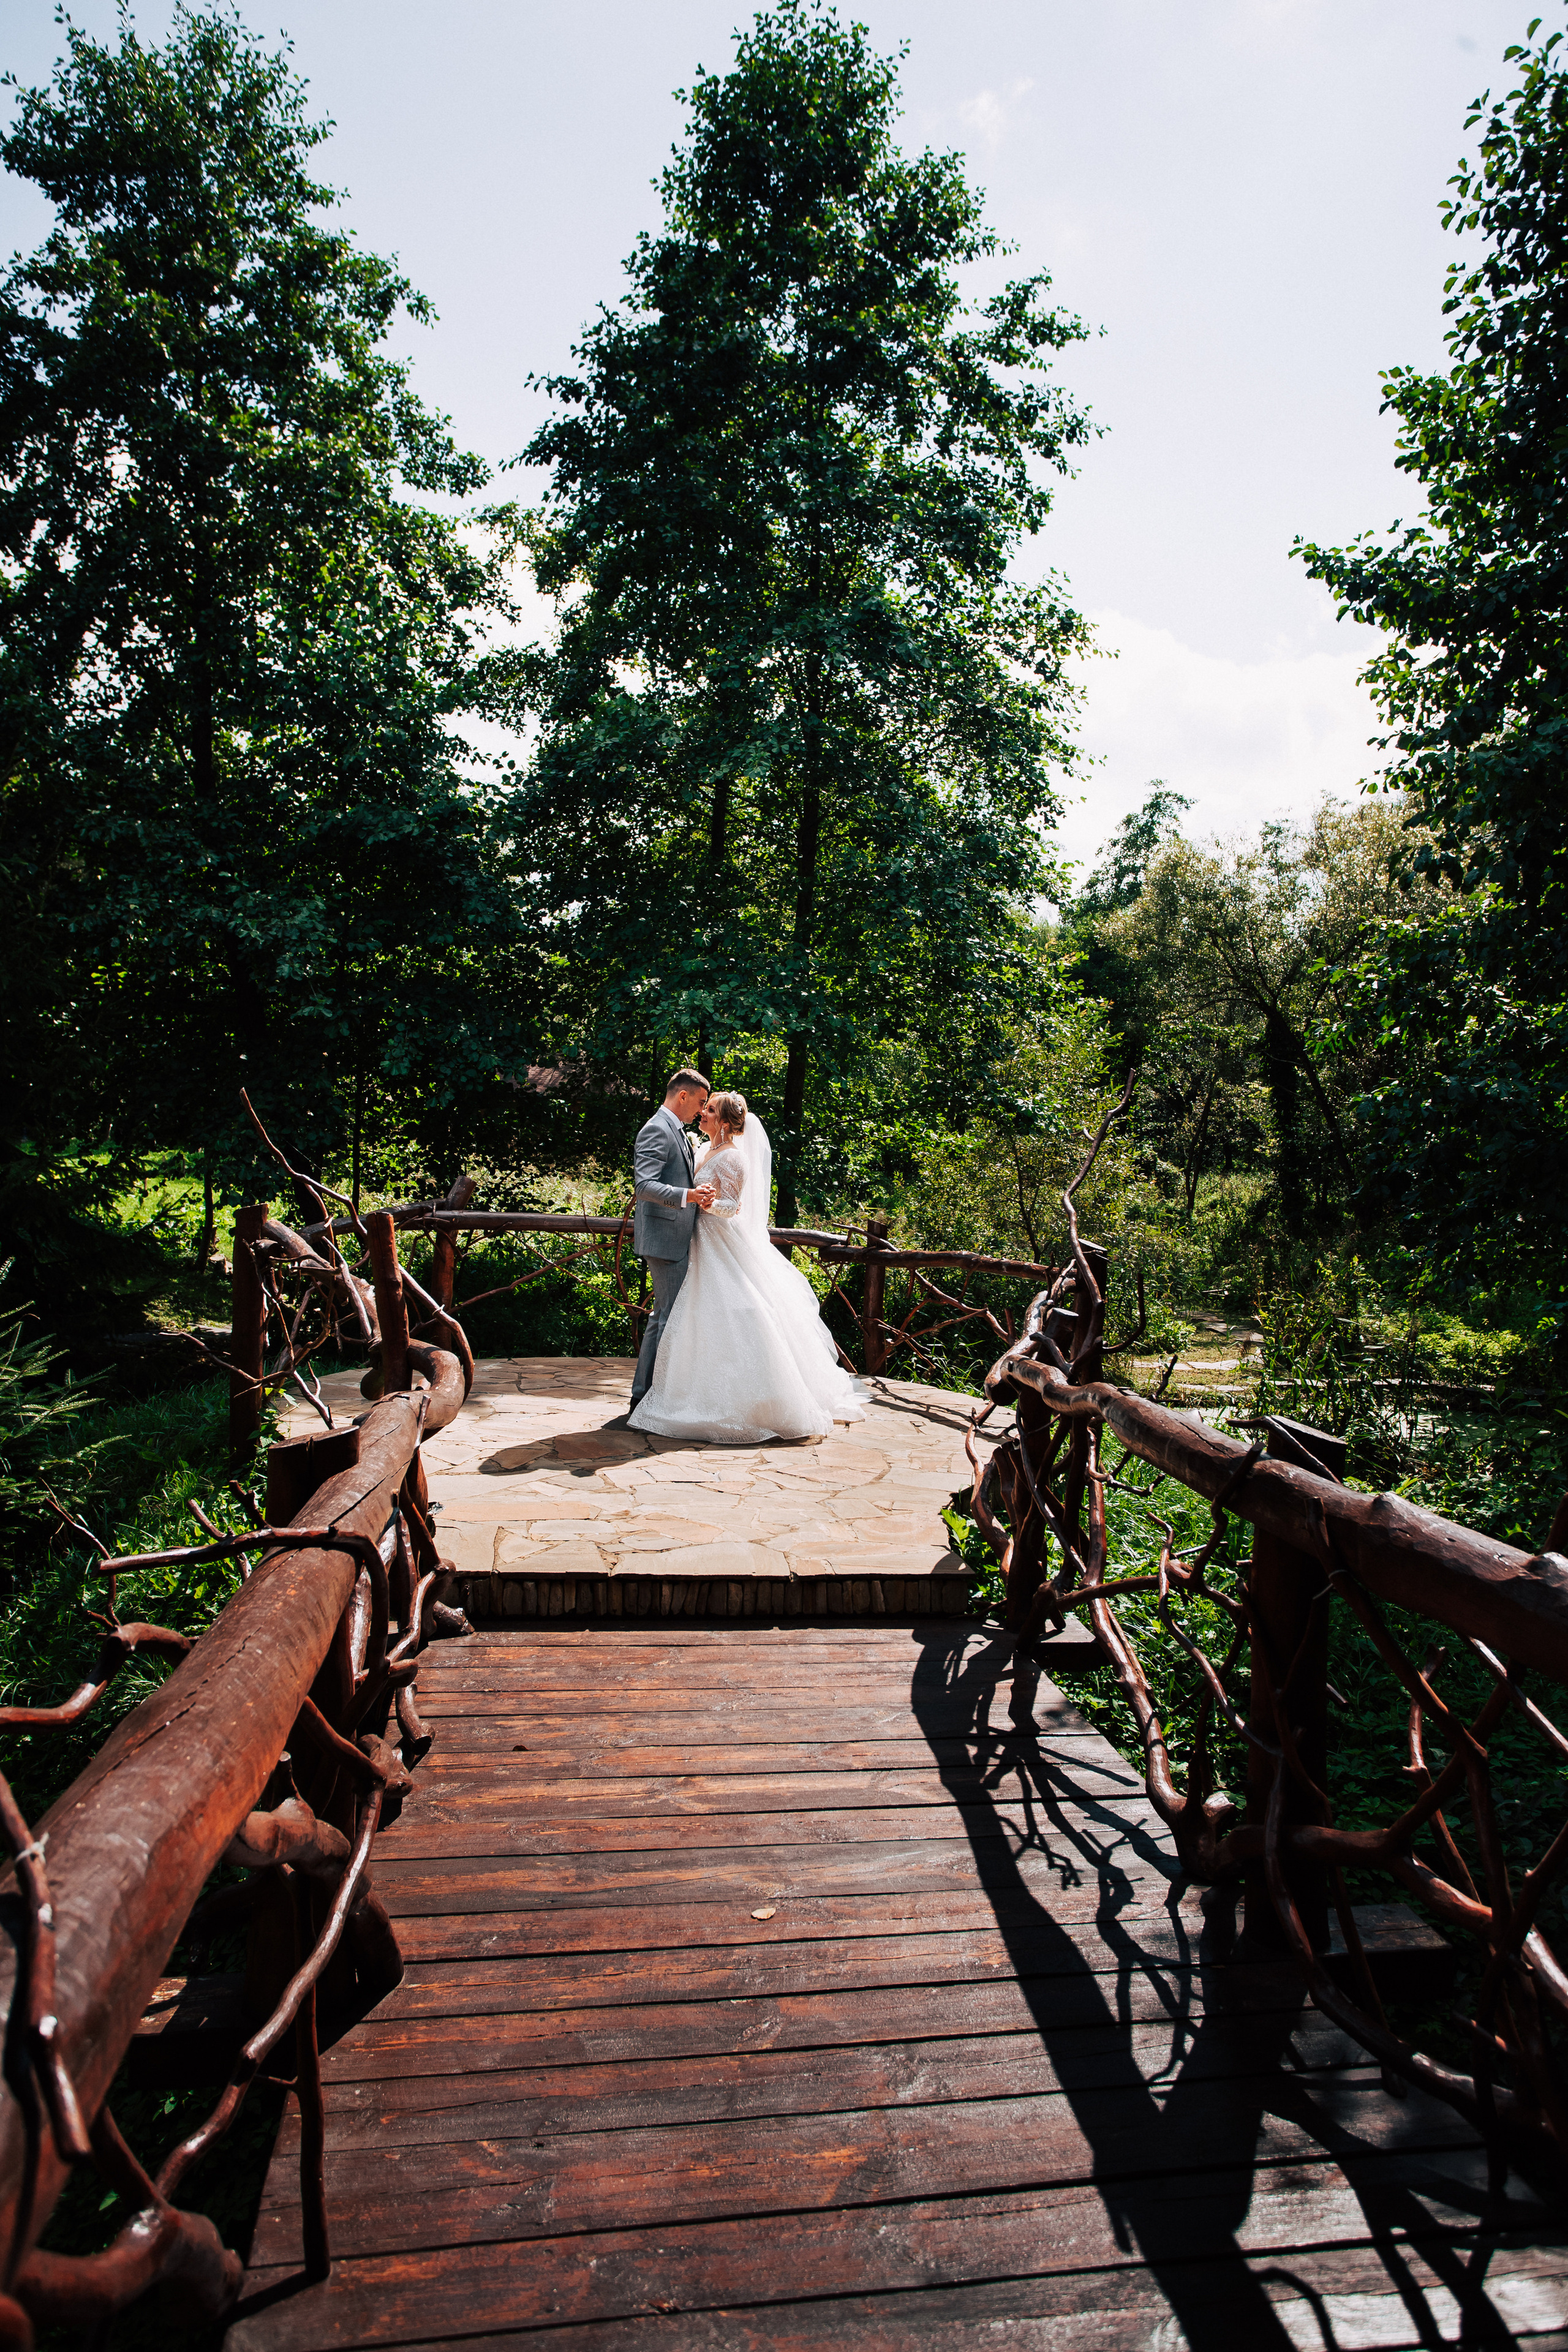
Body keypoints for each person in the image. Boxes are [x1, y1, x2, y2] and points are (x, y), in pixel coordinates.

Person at [628, 1089, 865, 1444]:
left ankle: (741, 1397)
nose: (703, 1114)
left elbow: (732, 1207)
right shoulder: (704, 1149)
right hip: (694, 1241)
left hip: (718, 1240)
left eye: (709, 1110)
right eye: (703, 1107)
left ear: (724, 1122)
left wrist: (708, 1204)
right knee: (689, 1317)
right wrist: (697, 1199)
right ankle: (673, 1390)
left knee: (729, 1312)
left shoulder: (733, 1159)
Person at [625, 1066, 714, 1415]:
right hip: (664, 1238)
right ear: (683, 1096)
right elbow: (644, 1186)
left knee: (662, 1316)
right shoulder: (657, 1129)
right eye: (701, 1102)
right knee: (669, 1318)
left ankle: (644, 1394)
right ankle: (655, 1397)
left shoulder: (675, 1129)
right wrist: (689, 1195)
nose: (701, 1110)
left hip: (672, 1237)